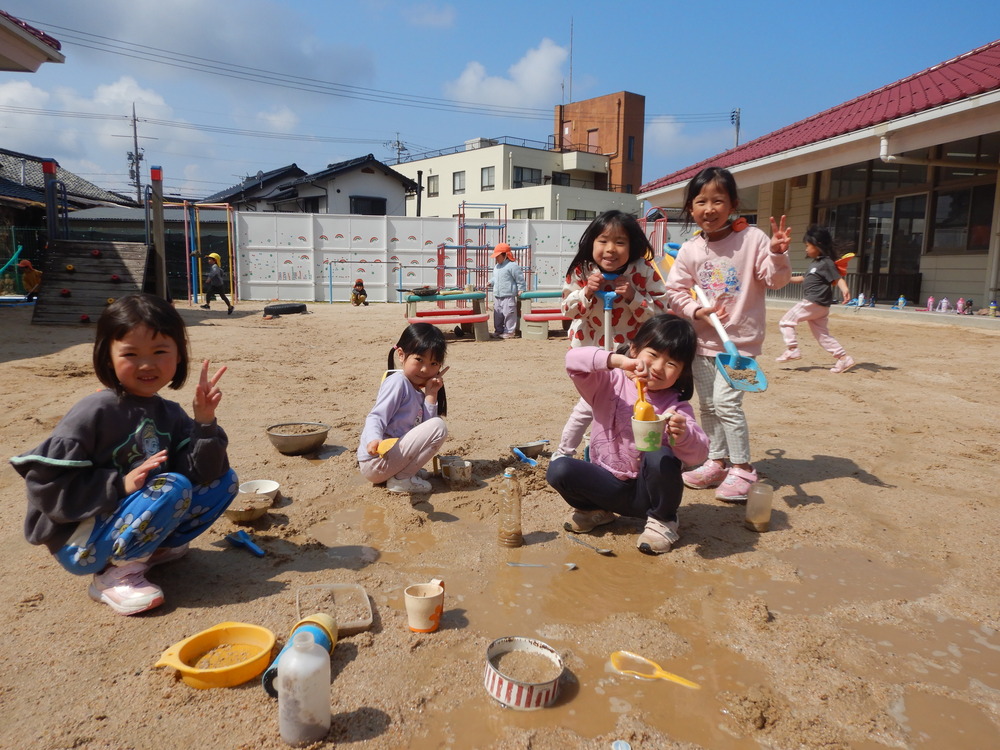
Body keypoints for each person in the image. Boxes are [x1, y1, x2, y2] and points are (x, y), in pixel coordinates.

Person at [9, 293, 237, 616]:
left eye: (160, 351)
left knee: (225, 482)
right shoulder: (96, 411)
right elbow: (46, 484)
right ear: (108, 358)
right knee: (172, 485)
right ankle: (113, 576)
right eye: (131, 353)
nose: (147, 364)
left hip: (135, 516)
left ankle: (152, 549)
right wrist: (120, 484)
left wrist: (204, 422)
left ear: (178, 357)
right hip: (82, 539)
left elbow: (206, 472)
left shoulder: (170, 413)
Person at [664, 166, 792, 502]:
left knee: (726, 403)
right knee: (707, 405)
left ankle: (743, 468)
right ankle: (716, 461)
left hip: (741, 344)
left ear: (733, 204)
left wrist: (777, 254)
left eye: (718, 200)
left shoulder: (753, 240)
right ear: (691, 208)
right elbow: (674, 292)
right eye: (701, 201)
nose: (709, 209)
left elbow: (774, 281)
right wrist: (695, 311)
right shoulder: (692, 250)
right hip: (703, 342)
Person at [546, 315, 709, 555]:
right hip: (606, 484)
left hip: (647, 494)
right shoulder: (607, 383)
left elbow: (699, 455)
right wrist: (617, 361)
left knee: (660, 454)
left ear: (683, 372)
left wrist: (683, 435)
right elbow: (573, 360)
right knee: (560, 469)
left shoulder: (676, 407)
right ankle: (594, 511)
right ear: (634, 349)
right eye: (652, 355)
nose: (658, 367)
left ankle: (663, 521)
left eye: (672, 363)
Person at [553, 209, 669, 459]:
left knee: (624, 402)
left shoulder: (643, 269)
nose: (610, 249)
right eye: (603, 241)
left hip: (629, 351)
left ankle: (619, 450)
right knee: (592, 404)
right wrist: (585, 292)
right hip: (590, 350)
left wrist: (633, 296)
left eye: (620, 242)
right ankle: (574, 450)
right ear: (592, 242)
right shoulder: (582, 270)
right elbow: (566, 309)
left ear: (632, 245)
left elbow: (661, 311)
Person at [358, 322, 449, 499]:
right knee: (439, 426)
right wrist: (374, 439)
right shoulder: (398, 382)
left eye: (433, 363)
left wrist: (431, 394)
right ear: (401, 354)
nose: (425, 369)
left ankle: (404, 472)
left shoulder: (417, 390)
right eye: (419, 360)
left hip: (387, 461)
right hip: (377, 459)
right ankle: (401, 478)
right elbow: (376, 417)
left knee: (435, 426)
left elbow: (425, 429)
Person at [776, 225, 855, 373]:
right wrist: (785, 279)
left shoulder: (826, 262)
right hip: (820, 306)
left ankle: (792, 349)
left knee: (786, 321)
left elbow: (837, 278)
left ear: (818, 245)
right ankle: (844, 358)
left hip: (813, 302)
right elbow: (803, 279)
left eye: (807, 245)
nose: (806, 249)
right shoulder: (816, 264)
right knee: (822, 335)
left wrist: (845, 290)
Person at [489, 242, 525, 339]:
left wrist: (521, 289)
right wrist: (490, 282)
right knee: (498, 315)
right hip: (497, 295)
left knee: (509, 314)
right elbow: (495, 278)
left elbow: (520, 279)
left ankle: (509, 332)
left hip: (508, 295)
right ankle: (498, 330)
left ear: (505, 255)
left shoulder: (512, 266)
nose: (496, 258)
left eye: (498, 256)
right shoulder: (496, 267)